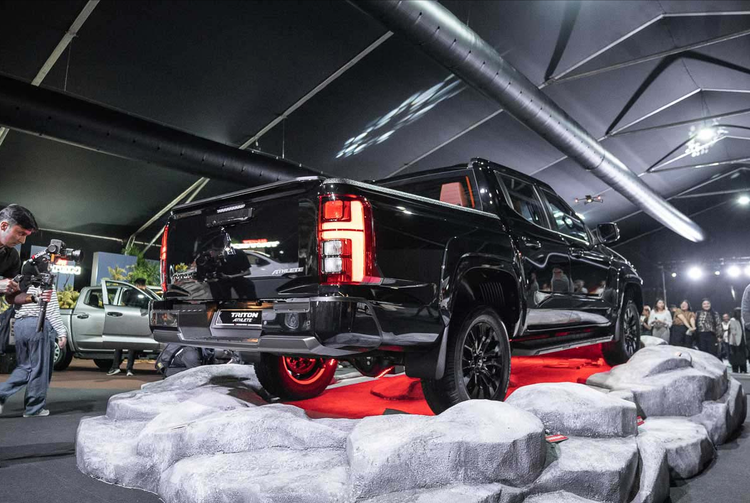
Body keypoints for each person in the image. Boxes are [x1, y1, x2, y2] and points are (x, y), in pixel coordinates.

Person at [0, 278, 66, 417]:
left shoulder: (20, 281)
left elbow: (10, 300)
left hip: (20, 325)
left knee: (26, 367)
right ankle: (34, 408)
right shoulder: (45, 282)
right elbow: (51, 310)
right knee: (40, 369)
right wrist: (62, 333)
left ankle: (3, 392)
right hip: (38, 325)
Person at [107, 278, 149, 376]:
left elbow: (124, 302)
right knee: (132, 346)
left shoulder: (128, 293)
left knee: (119, 344)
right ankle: (129, 369)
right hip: (137, 320)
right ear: (143, 285)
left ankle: (115, 367)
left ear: (136, 284)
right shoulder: (145, 295)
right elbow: (147, 305)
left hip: (125, 319)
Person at [0, 204, 37, 295]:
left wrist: (33, 297)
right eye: (21, 233)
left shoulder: (13, 256)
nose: (23, 241)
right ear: (4, 226)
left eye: (26, 236)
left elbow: (10, 296)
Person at [728, 308, 747, 374]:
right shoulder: (732, 320)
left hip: (742, 340)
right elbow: (733, 331)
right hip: (735, 340)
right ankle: (735, 370)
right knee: (735, 356)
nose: (739, 313)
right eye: (738, 312)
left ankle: (743, 370)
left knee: (742, 356)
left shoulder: (742, 319)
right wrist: (734, 341)